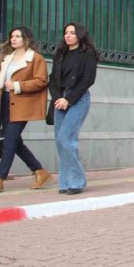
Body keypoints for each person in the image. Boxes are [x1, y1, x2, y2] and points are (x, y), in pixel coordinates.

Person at [0, 27, 52, 194]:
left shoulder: (35, 58)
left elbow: (42, 81)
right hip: (6, 101)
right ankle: (40, 171)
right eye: (12, 36)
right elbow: (1, 86)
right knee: (15, 141)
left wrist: (17, 85)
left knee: (9, 141)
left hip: (22, 103)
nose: (13, 39)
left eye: (17, 36)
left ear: (25, 39)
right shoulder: (7, 58)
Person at [49, 22, 98, 195]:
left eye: (72, 32)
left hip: (78, 98)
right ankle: (65, 183)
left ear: (80, 35)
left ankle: (77, 181)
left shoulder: (88, 54)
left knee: (66, 138)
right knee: (59, 141)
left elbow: (88, 79)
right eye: (66, 32)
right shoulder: (60, 53)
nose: (68, 35)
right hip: (60, 99)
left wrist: (68, 100)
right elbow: (52, 79)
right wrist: (58, 98)